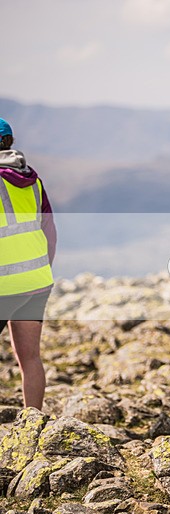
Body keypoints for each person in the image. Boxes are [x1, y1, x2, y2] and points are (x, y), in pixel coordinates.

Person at [0, 117, 57, 410]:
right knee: (30, 358)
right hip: (36, 280)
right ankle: (32, 423)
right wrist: (40, 271)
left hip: (4, 283)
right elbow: (50, 232)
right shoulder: (33, 180)